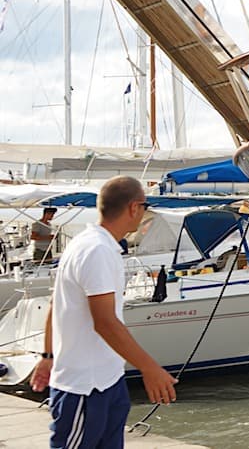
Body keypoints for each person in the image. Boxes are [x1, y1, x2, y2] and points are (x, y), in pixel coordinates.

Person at [30, 176, 178, 448]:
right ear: (134, 208)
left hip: (108, 380)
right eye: (146, 205)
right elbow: (105, 322)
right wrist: (149, 368)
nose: (145, 211)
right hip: (84, 388)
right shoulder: (96, 250)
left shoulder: (90, 243)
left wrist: (48, 356)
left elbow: (56, 304)